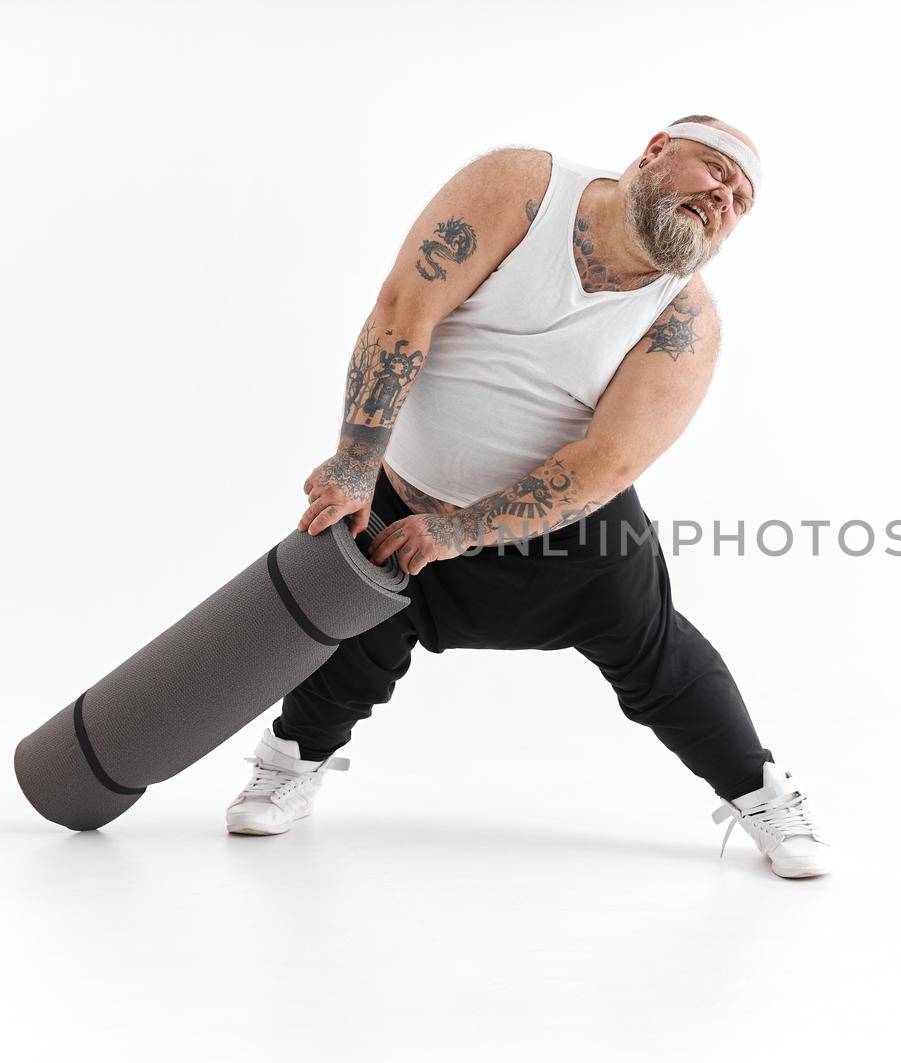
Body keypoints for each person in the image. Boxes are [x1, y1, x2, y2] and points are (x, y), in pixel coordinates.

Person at [224, 116, 831, 878]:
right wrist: (355, 461)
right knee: (351, 638)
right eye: (714, 170)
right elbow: (404, 309)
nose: (723, 198)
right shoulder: (522, 189)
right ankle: (289, 763)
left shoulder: (686, 320)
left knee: (658, 658)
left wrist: (460, 529)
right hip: (403, 488)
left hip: (568, 534)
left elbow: (604, 463)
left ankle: (764, 795)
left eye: (740, 199)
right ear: (654, 152)